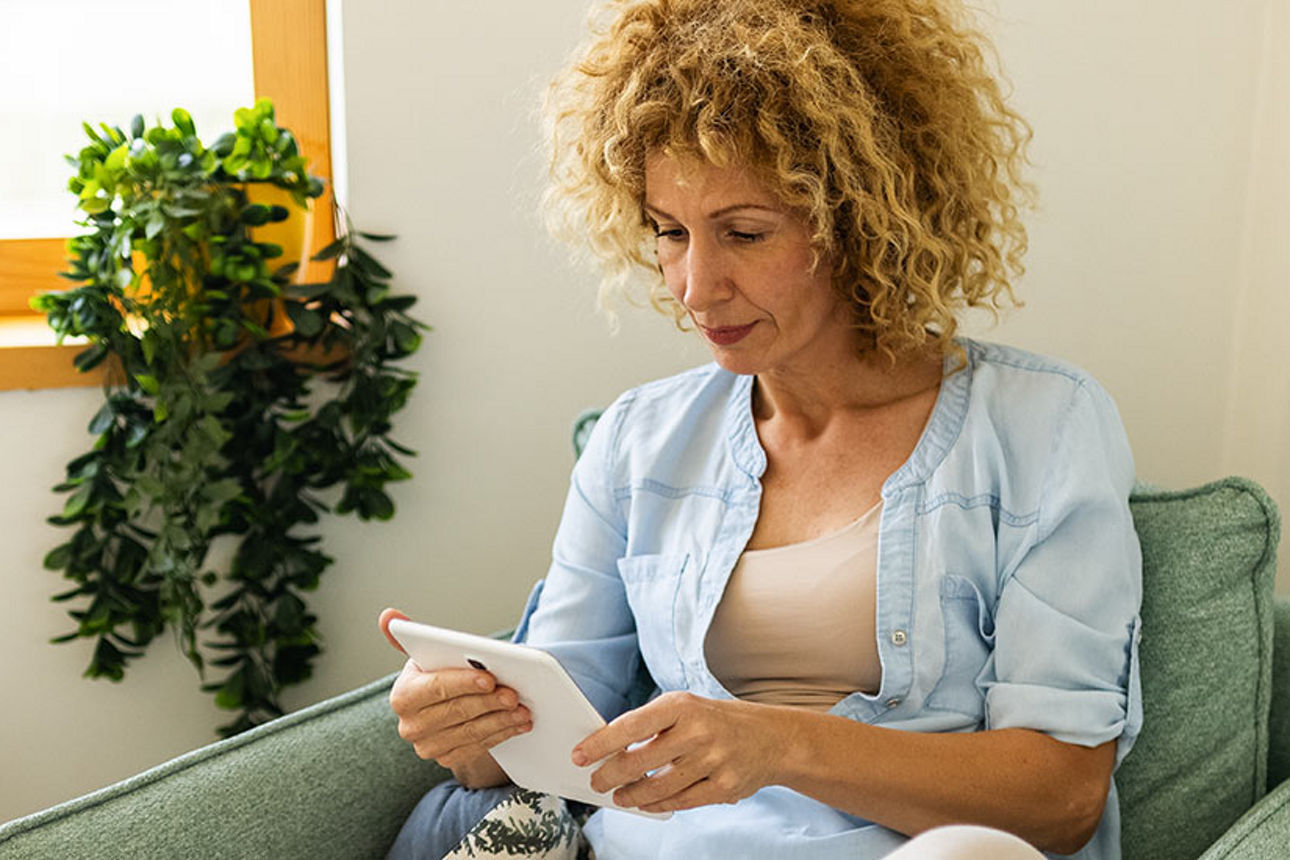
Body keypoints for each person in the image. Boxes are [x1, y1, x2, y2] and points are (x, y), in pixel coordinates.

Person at [382, 0, 1143, 857]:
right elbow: (563, 743)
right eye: (670, 233)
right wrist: (466, 723)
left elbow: (1062, 796)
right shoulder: (638, 441)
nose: (696, 288)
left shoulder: (1044, 426)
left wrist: (778, 744)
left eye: (743, 233)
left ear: (860, 219)